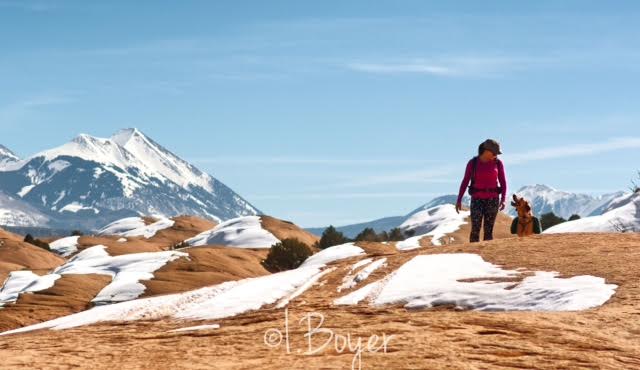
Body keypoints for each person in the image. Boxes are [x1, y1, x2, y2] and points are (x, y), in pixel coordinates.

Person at [456, 139, 507, 242]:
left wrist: (503, 199)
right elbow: (465, 181)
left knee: (488, 231)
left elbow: (503, 182)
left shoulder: (498, 163)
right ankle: (472, 254)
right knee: (475, 229)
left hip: (493, 200)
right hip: (477, 199)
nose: (496, 155)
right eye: (495, 152)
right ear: (487, 151)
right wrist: (459, 199)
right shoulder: (473, 163)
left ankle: (486, 256)